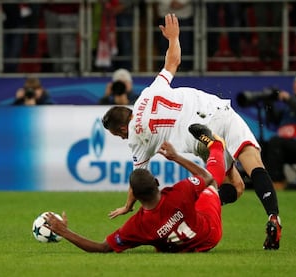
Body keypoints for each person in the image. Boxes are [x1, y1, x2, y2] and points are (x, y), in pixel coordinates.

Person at [102, 14, 282, 250]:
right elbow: (172, 62)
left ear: (123, 128)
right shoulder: (148, 93)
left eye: (119, 134)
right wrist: (174, 38)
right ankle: (273, 217)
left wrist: (127, 205)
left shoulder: (136, 138)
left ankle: (193, 208)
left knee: (231, 188)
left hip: (198, 138)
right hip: (218, 109)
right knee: (252, 164)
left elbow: (138, 181)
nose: (122, 138)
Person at [44, 125, 226, 253]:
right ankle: (216, 147)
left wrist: (64, 231)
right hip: (210, 233)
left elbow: (101, 248)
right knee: (212, 186)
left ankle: (219, 157)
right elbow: (206, 178)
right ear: (156, 182)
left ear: (136, 196)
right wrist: (176, 157)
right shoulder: (179, 192)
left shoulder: (137, 226)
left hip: (184, 246)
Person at [156, 0, 194, 71]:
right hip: (164, 14)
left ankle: (184, 70)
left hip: (185, 15)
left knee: (185, 46)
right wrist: (169, 3)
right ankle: (164, 72)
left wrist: (182, 2)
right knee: (164, 46)